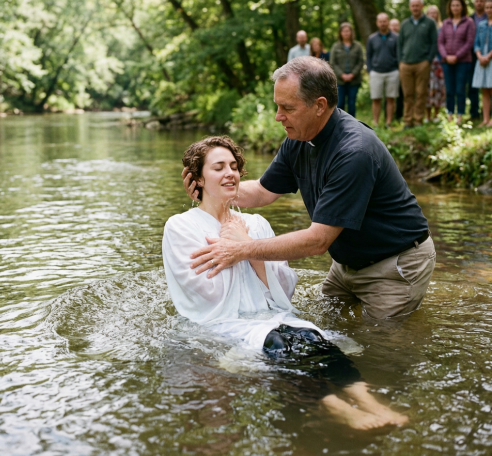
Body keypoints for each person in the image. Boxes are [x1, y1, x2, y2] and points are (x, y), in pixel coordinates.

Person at [166, 135, 407, 430]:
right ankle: (340, 409)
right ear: (198, 179)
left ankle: (369, 401)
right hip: (224, 323)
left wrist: (246, 247)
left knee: (309, 335)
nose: (229, 173)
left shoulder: (255, 224)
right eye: (218, 168)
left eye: (233, 166)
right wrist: (236, 250)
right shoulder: (181, 226)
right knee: (277, 342)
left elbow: (285, 288)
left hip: (273, 315)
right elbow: (204, 296)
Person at [183, 57, 436, 321]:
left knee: (380, 349)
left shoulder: (355, 152)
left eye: (287, 108)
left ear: (319, 106)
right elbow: (262, 191)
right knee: (324, 328)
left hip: (394, 264)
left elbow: (318, 240)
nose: (278, 116)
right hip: (346, 265)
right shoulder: (300, 138)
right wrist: (212, 189)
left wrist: (241, 249)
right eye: (277, 106)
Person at [398, 0, 438, 128]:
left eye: (417, 5)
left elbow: (434, 43)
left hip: (422, 63)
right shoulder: (404, 24)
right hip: (406, 64)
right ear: (410, 7)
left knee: (421, 93)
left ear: (422, 6)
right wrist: (400, 61)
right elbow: (400, 44)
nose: (415, 8)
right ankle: (408, 121)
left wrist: (428, 60)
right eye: (413, 6)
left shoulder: (430, 22)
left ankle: (418, 120)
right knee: (407, 94)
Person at [438, 0, 476, 125]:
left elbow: (469, 42)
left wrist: (456, 56)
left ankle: (460, 115)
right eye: (453, 5)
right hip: (447, 62)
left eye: (457, 5)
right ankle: (450, 114)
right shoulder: (446, 23)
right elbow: (440, 42)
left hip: (463, 61)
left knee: (460, 89)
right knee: (449, 90)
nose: (455, 8)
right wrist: (446, 56)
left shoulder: (469, 22)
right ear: (450, 7)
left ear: (462, 7)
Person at [366, 13, 399, 127]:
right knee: (376, 99)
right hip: (376, 72)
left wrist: (397, 68)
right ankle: (375, 123)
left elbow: (398, 54)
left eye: (384, 21)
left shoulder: (395, 37)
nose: (383, 24)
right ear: (377, 23)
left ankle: (388, 122)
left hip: (392, 72)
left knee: (390, 99)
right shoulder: (372, 38)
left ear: (388, 22)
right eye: (380, 21)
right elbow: (368, 55)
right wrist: (370, 70)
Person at [330, 23, 364, 118]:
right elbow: (332, 62)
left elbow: (360, 62)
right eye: (343, 31)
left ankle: (352, 126)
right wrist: (342, 75)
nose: (346, 33)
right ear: (340, 33)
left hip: (354, 80)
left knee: (352, 104)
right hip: (340, 81)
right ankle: (339, 124)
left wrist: (352, 74)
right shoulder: (336, 46)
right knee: (339, 103)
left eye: (348, 31)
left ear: (351, 32)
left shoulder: (357, 46)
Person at [472, 0, 492, 126]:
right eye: (487, 8)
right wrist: (480, 56)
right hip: (482, 60)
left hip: (490, 58)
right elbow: (476, 44)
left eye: (491, 7)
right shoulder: (481, 25)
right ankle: (485, 119)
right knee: (484, 90)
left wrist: (488, 57)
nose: (489, 10)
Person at [468, 0, 488, 120]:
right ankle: (474, 113)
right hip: (472, 55)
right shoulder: (469, 19)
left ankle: (488, 114)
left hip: (488, 55)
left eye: (481, 1)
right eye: (477, 1)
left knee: (488, 85)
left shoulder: (489, 17)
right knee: (472, 85)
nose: (479, 3)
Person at [425, 5, 446, 123]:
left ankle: (436, 114)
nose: (432, 15)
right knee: (428, 88)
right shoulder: (425, 27)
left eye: (434, 13)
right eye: (430, 13)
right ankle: (427, 116)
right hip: (426, 62)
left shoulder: (442, 27)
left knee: (438, 88)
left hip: (439, 62)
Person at [389, 18, 404, 120]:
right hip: (389, 70)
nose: (394, 27)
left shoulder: (401, 38)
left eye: (396, 25)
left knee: (400, 94)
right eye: (392, 25)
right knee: (389, 96)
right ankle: (388, 116)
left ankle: (399, 116)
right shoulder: (385, 38)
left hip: (400, 69)